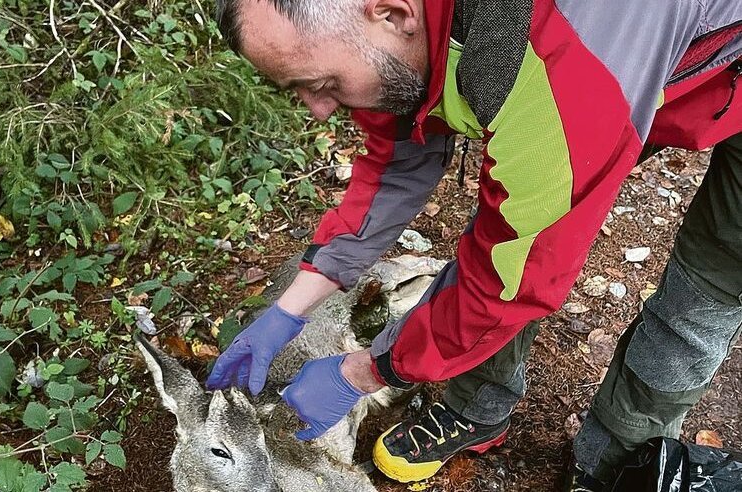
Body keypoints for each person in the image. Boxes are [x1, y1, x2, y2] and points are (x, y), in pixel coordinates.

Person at [205, 0, 742, 489]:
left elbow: (512, 279)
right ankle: (478, 407)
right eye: (299, 89)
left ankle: (616, 462)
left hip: (692, 68)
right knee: (506, 221)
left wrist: (364, 372)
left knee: (708, 289)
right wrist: (288, 309)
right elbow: (393, 169)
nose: (318, 110)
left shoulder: (549, 62)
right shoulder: (383, 39)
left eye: (321, 84)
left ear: (391, 13)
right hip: (626, 71)